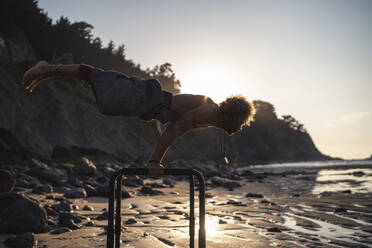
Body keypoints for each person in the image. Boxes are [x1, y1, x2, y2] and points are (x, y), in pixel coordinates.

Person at [22, 61, 255, 176]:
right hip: (146, 98)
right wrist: (154, 161)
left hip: (146, 104)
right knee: (99, 79)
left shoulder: (211, 119)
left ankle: (48, 72)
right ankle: (48, 68)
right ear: (233, 115)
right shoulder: (209, 110)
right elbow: (174, 129)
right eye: (242, 122)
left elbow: (177, 128)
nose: (241, 127)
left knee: (103, 92)